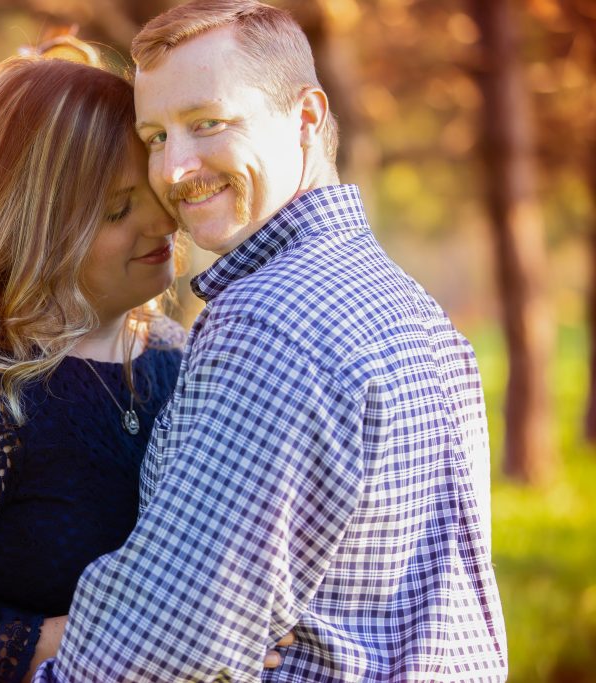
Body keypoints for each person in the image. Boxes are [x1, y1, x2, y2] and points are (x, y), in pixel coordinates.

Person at [34, 2, 508, 681]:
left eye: (208, 123)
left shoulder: (268, 322)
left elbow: (173, 638)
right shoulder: (414, 308)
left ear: (306, 117)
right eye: (156, 136)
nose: (176, 169)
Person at [0, 43, 289, 682]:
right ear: (34, 228)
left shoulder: (178, 355)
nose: (162, 223)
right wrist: (125, 636)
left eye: (155, 189)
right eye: (118, 208)